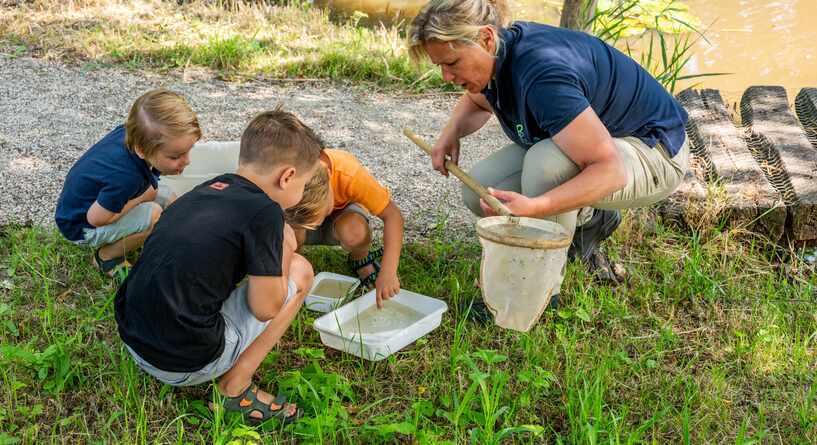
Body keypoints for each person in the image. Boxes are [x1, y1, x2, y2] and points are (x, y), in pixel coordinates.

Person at [408, 0, 689, 305]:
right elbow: (477, 101)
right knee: (482, 189)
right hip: (600, 143)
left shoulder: (543, 76)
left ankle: (539, 296)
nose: (446, 77)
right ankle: (588, 218)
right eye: (440, 66)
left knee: (546, 166)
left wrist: (536, 206)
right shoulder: (498, 55)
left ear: (486, 38)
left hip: (653, 152)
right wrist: (450, 135)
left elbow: (611, 170)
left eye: (452, 63)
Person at [114, 108, 322, 425]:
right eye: (304, 184)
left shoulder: (211, 188)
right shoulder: (266, 213)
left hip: (134, 341)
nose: (301, 191)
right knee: (301, 271)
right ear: (288, 176)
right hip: (183, 364)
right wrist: (286, 246)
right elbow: (266, 308)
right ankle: (234, 389)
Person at [54, 89, 200, 275]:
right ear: (141, 149)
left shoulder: (132, 134)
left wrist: (148, 193)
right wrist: (141, 199)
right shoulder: (125, 178)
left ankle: (176, 234)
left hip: (98, 201)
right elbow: (96, 218)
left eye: (189, 150)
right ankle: (107, 258)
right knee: (153, 216)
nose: (187, 161)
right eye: (175, 156)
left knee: (167, 195)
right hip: (81, 226)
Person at [291, 148, 405, 307]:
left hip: (344, 217)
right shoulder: (285, 174)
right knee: (290, 232)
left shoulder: (348, 172)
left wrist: (388, 272)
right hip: (295, 223)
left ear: (328, 177)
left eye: (319, 212)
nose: (316, 224)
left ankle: (360, 259)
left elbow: (393, 216)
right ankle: (293, 265)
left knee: (354, 231)